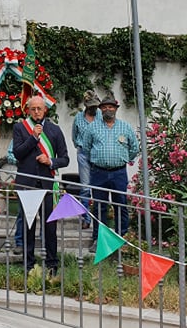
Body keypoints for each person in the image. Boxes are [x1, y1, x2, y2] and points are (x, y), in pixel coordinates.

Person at [12, 96, 69, 275]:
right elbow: (18, 153)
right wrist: (34, 137)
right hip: (27, 185)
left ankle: (52, 265)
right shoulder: (20, 128)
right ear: (28, 110)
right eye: (33, 109)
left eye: (39, 108)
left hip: (47, 185)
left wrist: (50, 161)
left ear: (45, 110)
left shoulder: (54, 130)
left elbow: (65, 159)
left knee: (50, 227)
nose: (36, 112)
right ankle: (28, 265)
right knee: (28, 226)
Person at [81, 96, 139, 253]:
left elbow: (134, 147)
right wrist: (97, 159)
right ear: (100, 109)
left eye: (111, 107)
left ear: (116, 109)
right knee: (99, 207)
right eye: (105, 107)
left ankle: (121, 238)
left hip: (119, 172)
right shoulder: (92, 128)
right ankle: (99, 239)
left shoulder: (125, 127)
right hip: (98, 172)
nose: (108, 109)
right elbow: (86, 148)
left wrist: (124, 159)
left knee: (121, 205)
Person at [71, 90, 101, 230]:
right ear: (86, 106)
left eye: (95, 106)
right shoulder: (78, 118)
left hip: (98, 153)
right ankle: (86, 218)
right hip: (83, 153)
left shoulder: (101, 116)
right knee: (85, 187)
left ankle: (99, 220)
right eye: (91, 106)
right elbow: (74, 136)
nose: (94, 108)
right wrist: (80, 147)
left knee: (99, 187)